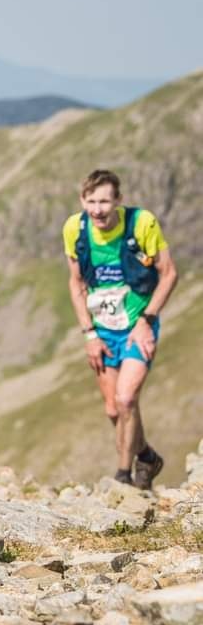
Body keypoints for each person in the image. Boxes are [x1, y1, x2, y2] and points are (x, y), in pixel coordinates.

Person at [63, 169, 178, 490]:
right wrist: (89, 334)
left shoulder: (142, 224)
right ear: (82, 200)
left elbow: (168, 274)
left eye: (104, 201)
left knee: (127, 399)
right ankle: (147, 456)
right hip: (102, 329)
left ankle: (124, 477)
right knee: (114, 410)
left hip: (137, 326)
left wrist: (147, 319)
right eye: (91, 201)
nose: (97, 209)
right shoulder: (75, 229)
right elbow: (76, 282)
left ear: (118, 201)